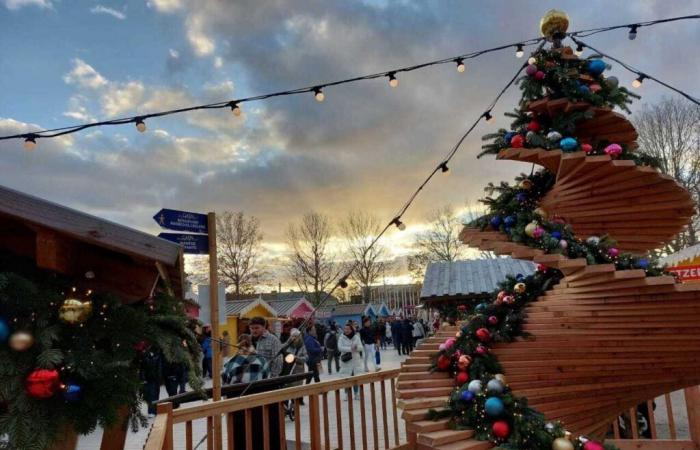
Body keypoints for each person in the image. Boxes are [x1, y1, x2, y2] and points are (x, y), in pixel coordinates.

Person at [338, 321, 362, 400]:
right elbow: (340, 347)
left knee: (355, 378)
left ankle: (356, 393)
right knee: (346, 378)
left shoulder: (356, 337)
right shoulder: (341, 338)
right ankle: (346, 393)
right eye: (345, 329)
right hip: (346, 361)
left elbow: (361, 347)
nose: (346, 330)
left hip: (355, 361)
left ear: (351, 329)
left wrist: (356, 348)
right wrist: (350, 349)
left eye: (348, 329)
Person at [140, 345, 163, 418]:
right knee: (150, 395)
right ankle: (151, 411)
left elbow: (159, 368)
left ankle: (154, 410)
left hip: (155, 379)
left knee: (155, 395)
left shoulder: (158, 355)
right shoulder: (145, 356)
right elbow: (142, 369)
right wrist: (143, 378)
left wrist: (159, 378)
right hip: (148, 379)